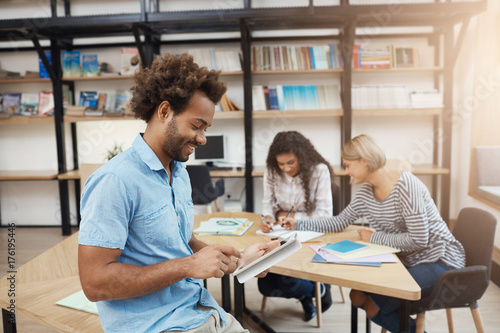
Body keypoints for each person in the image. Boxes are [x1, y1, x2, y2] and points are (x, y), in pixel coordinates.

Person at [78, 53, 279, 333]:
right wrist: (188, 266)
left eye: (206, 128)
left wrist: (240, 260)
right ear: (164, 111)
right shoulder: (115, 180)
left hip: (201, 312)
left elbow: (182, 243)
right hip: (157, 326)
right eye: (196, 125)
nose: (203, 138)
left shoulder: (179, 172)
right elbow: (94, 283)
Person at [282, 134, 465, 332]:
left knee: (372, 306)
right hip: (408, 261)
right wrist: (297, 224)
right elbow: (339, 222)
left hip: (440, 260)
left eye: (348, 165)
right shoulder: (366, 193)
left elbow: (420, 239)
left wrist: (374, 237)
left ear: (364, 161)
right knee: (357, 296)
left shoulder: (407, 187)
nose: (346, 171)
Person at [258, 131, 335, 321]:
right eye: (281, 164)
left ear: (302, 156)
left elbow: (325, 215)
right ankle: (312, 293)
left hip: (312, 235)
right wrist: (268, 217)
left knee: (289, 280)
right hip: (280, 233)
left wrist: (291, 217)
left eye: (290, 162)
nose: (285, 168)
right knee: (266, 286)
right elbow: (268, 203)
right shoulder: (271, 170)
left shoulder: (319, 170)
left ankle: (317, 290)